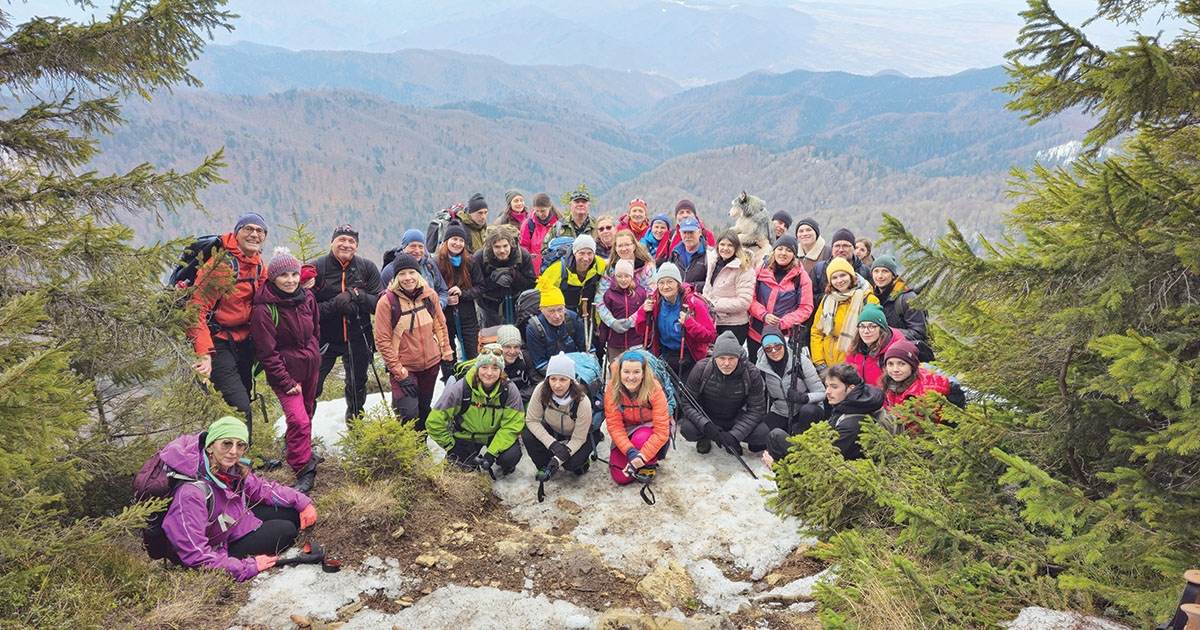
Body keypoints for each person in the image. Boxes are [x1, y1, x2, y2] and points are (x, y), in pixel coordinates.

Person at [160, 416, 316, 582]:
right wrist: (246, 567)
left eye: (240, 445)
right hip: (215, 547)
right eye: (227, 443)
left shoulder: (230, 470)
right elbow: (195, 554)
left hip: (227, 524)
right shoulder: (190, 493)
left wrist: (302, 502)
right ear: (211, 446)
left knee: (293, 512)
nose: (234, 451)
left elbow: (262, 488)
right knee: (286, 531)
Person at [250, 248, 321, 493]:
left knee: (308, 412)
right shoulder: (264, 309)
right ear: (273, 278)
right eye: (284, 276)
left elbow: (315, 330)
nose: (290, 280)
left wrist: (315, 355)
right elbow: (266, 352)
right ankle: (303, 468)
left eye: (294, 274)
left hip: (310, 365)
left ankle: (301, 450)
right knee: (298, 419)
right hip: (286, 373)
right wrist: (285, 380)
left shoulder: (307, 298)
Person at [188, 213, 269, 426]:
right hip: (218, 341)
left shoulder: (258, 264)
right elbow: (196, 308)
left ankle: (243, 454)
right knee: (238, 404)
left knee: (243, 398)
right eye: (248, 229)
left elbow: (270, 296)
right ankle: (239, 457)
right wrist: (204, 353)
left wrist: (303, 283)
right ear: (237, 233)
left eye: (259, 231)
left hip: (244, 342)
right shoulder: (223, 266)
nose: (254, 234)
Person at [375, 253, 455, 431]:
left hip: (430, 365)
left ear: (418, 274)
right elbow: (382, 341)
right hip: (405, 368)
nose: (407, 278)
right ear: (396, 277)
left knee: (424, 409)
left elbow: (440, 326)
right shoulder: (387, 302)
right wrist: (400, 373)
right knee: (408, 414)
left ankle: (421, 448)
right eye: (402, 274)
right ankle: (406, 451)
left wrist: (447, 355)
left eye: (411, 272)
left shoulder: (429, 296)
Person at [312, 224, 383, 422]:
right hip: (324, 338)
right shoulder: (318, 267)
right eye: (341, 240)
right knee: (312, 386)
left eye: (351, 241)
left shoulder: (367, 268)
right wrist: (335, 305)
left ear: (357, 246)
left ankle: (356, 427)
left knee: (357, 384)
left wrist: (355, 296)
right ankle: (300, 435)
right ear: (332, 242)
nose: (346, 244)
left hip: (359, 336)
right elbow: (306, 309)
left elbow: (379, 303)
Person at [427, 344, 525, 476]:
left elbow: (512, 425)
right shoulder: (461, 388)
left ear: (501, 371)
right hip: (465, 436)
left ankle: (505, 466)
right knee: (460, 471)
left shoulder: (509, 390)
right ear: (478, 368)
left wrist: (491, 453)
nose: (489, 373)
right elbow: (434, 421)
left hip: (494, 436)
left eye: (495, 368)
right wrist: (450, 445)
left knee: (510, 456)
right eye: (484, 367)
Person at [764, 363, 887, 465]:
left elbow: (824, 464)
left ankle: (791, 489)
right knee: (776, 436)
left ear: (851, 388)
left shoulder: (853, 424)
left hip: (836, 476)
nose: (827, 392)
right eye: (827, 386)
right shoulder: (849, 405)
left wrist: (776, 466)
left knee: (776, 436)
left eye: (834, 387)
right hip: (829, 461)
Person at [680, 331, 770, 455]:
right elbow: (687, 403)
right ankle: (704, 437)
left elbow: (756, 410)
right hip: (707, 416)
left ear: (738, 357)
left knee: (762, 432)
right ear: (715, 357)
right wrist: (706, 426)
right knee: (687, 429)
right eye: (722, 358)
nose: (726, 363)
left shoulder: (751, 373)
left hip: (735, 417)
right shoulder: (702, 369)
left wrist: (735, 435)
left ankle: (732, 440)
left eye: (731, 358)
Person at [634, 262, 716, 379]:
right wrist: (643, 312)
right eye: (661, 282)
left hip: (690, 357)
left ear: (678, 284)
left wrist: (690, 323)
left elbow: (710, 336)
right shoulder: (655, 302)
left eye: (670, 282)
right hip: (664, 355)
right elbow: (641, 330)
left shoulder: (694, 304)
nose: (665, 286)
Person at [523, 353, 595, 480]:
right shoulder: (541, 390)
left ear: (571, 381)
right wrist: (552, 445)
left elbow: (578, 438)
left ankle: (582, 459)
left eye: (563, 379)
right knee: (528, 435)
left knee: (570, 465)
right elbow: (532, 420)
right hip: (555, 428)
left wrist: (558, 459)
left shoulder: (582, 401)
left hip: (580, 435)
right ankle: (545, 466)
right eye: (553, 379)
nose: (557, 385)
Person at [604, 351, 672, 485]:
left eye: (636, 372)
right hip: (627, 430)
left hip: (649, 428)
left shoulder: (654, 389)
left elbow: (661, 431)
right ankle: (637, 459)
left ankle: (649, 462)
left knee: (640, 439)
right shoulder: (613, 389)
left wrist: (642, 456)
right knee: (620, 476)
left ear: (643, 373)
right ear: (619, 372)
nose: (631, 377)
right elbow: (615, 426)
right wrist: (630, 452)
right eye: (626, 372)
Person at [748, 236, 814, 362]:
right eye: (780, 249)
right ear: (774, 251)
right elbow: (750, 298)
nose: (783, 253)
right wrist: (764, 315)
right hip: (757, 334)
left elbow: (806, 308)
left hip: (784, 337)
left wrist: (783, 323)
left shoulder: (801, 276)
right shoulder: (761, 269)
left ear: (794, 255)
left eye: (789, 251)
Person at [755, 324, 826, 442]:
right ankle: (787, 434)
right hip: (780, 410)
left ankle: (799, 436)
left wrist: (804, 397)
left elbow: (822, 393)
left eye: (777, 346)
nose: (774, 351)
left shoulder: (801, 361)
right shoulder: (761, 366)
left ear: (783, 343)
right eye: (768, 348)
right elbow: (759, 393)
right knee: (757, 441)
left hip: (805, 408)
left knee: (808, 412)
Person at [811, 258, 879, 370]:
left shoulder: (868, 299)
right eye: (834, 277)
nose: (839, 280)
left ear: (851, 276)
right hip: (828, 363)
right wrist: (819, 361)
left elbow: (874, 335)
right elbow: (817, 332)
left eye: (843, 275)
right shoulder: (827, 300)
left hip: (856, 363)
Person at [471, 228, 537, 328]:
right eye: (497, 247)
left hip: (517, 304)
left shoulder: (522, 256)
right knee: (491, 340)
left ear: (511, 244)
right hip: (489, 306)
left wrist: (513, 274)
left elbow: (531, 285)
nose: (502, 250)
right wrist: (494, 279)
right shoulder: (479, 258)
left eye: (505, 246)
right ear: (490, 246)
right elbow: (475, 287)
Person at [880, 338, 950, 430]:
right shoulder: (891, 382)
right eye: (890, 364)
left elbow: (919, 429)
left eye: (901, 364)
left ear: (912, 366)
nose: (895, 369)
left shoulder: (923, 392)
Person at [870, 254, 931, 360]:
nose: (880, 276)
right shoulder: (871, 297)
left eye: (885, 271)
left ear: (893, 275)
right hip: (879, 356)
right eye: (876, 271)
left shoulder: (908, 299)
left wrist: (887, 334)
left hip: (904, 357)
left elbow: (919, 332)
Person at [434, 223, 480, 363]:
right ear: (447, 241)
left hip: (467, 316)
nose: (458, 243)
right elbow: (430, 290)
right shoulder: (435, 262)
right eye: (454, 239)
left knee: (472, 356)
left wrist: (463, 294)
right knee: (448, 357)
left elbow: (480, 287)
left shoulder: (470, 261)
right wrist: (445, 299)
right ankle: (451, 382)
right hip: (444, 317)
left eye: (461, 240)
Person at [703, 229, 756, 346]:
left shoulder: (744, 269)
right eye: (722, 244)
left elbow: (744, 302)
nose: (725, 248)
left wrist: (712, 305)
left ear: (736, 247)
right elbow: (707, 289)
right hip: (713, 322)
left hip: (734, 325)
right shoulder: (714, 263)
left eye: (730, 245)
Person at [536, 234, 608, 319]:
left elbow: (603, 293)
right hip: (562, 317)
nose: (586, 258)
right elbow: (540, 296)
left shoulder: (600, 266)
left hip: (588, 314)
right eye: (581, 253)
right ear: (575, 253)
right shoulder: (558, 269)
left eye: (590, 253)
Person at [379, 230, 450, 310]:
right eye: (413, 246)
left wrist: (437, 305)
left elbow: (443, 291)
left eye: (421, 246)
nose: (417, 251)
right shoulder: (390, 271)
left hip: (431, 318)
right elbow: (385, 301)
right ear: (404, 247)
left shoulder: (429, 265)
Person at [525, 287, 587, 372]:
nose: (557, 316)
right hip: (550, 373)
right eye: (551, 311)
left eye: (560, 310)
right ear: (541, 309)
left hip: (577, 368)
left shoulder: (573, 319)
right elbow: (540, 364)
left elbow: (587, 350)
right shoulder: (533, 329)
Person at [845, 303, 906, 388]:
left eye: (872, 326)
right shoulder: (855, 346)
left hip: (885, 398)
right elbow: (848, 376)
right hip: (861, 396)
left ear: (881, 329)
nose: (866, 331)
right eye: (862, 326)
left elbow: (897, 386)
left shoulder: (894, 349)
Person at [599, 259, 648, 360]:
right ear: (615, 276)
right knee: (615, 369)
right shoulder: (609, 294)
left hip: (635, 340)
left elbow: (644, 315)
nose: (623, 280)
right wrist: (603, 338)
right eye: (619, 276)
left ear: (632, 276)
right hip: (615, 342)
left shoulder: (640, 293)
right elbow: (604, 319)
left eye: (626, 276)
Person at [811, 228, 872, 297]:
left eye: (845, 246)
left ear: (854, 248)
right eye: (837, 246)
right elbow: (810, 297)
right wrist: (834, 298)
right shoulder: (819, 269)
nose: (840, 250)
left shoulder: (865, 271)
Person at [661, 217, 708, 292]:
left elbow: (712, 283)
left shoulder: (709, 254)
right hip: (676, 299)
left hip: (699, 299)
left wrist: (687, 287)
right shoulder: (675, 253)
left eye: (691, 232)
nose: (688, 236)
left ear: (699, 232)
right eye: (685, 232)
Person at [519, 192, 562, 271]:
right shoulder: (529, 224)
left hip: (554, 269)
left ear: (549, 207)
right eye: (537, 211)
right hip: (534, 269)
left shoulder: (559, 223)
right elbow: (523, 246)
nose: (539, 214)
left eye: (543, 211)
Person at [497, 324, 539, 404]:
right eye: (507, 347)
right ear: (499, 347)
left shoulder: (525, 358)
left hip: (522, 400)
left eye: (516, 347)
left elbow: (538, 384)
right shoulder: (491, 362)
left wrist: (515, 397)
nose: (512, 352)